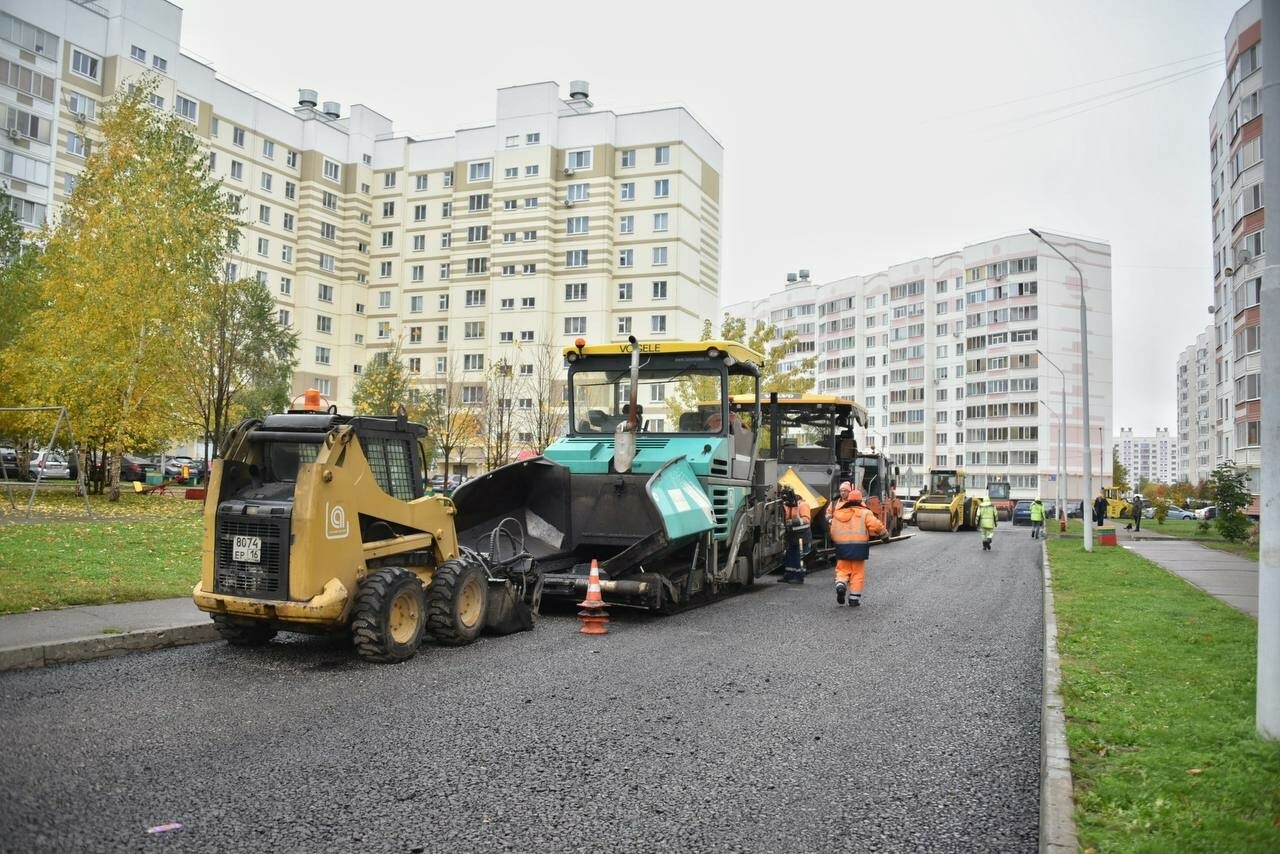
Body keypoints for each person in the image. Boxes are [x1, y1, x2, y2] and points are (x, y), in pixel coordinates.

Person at [828, 483, 889, 608]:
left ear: (849, 500)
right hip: (859, 548)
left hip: (841, 546)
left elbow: (832, 531)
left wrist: (838, 542)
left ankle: (840, 585)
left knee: (842, 570)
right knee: (857, 573)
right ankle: (854, 599)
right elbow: (876, 526)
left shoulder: (838, 513)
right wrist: (885, 536)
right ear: (860, 500)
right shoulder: (865, 513)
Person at [779, 486, 812, 584]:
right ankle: (788, 575)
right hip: (792, 536)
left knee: (800, 557)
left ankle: (799, 577)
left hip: (802, 536)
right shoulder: (788, 505)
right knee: (790, 556)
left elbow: (806, 520)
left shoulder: (803, 505)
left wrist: (792, 522)